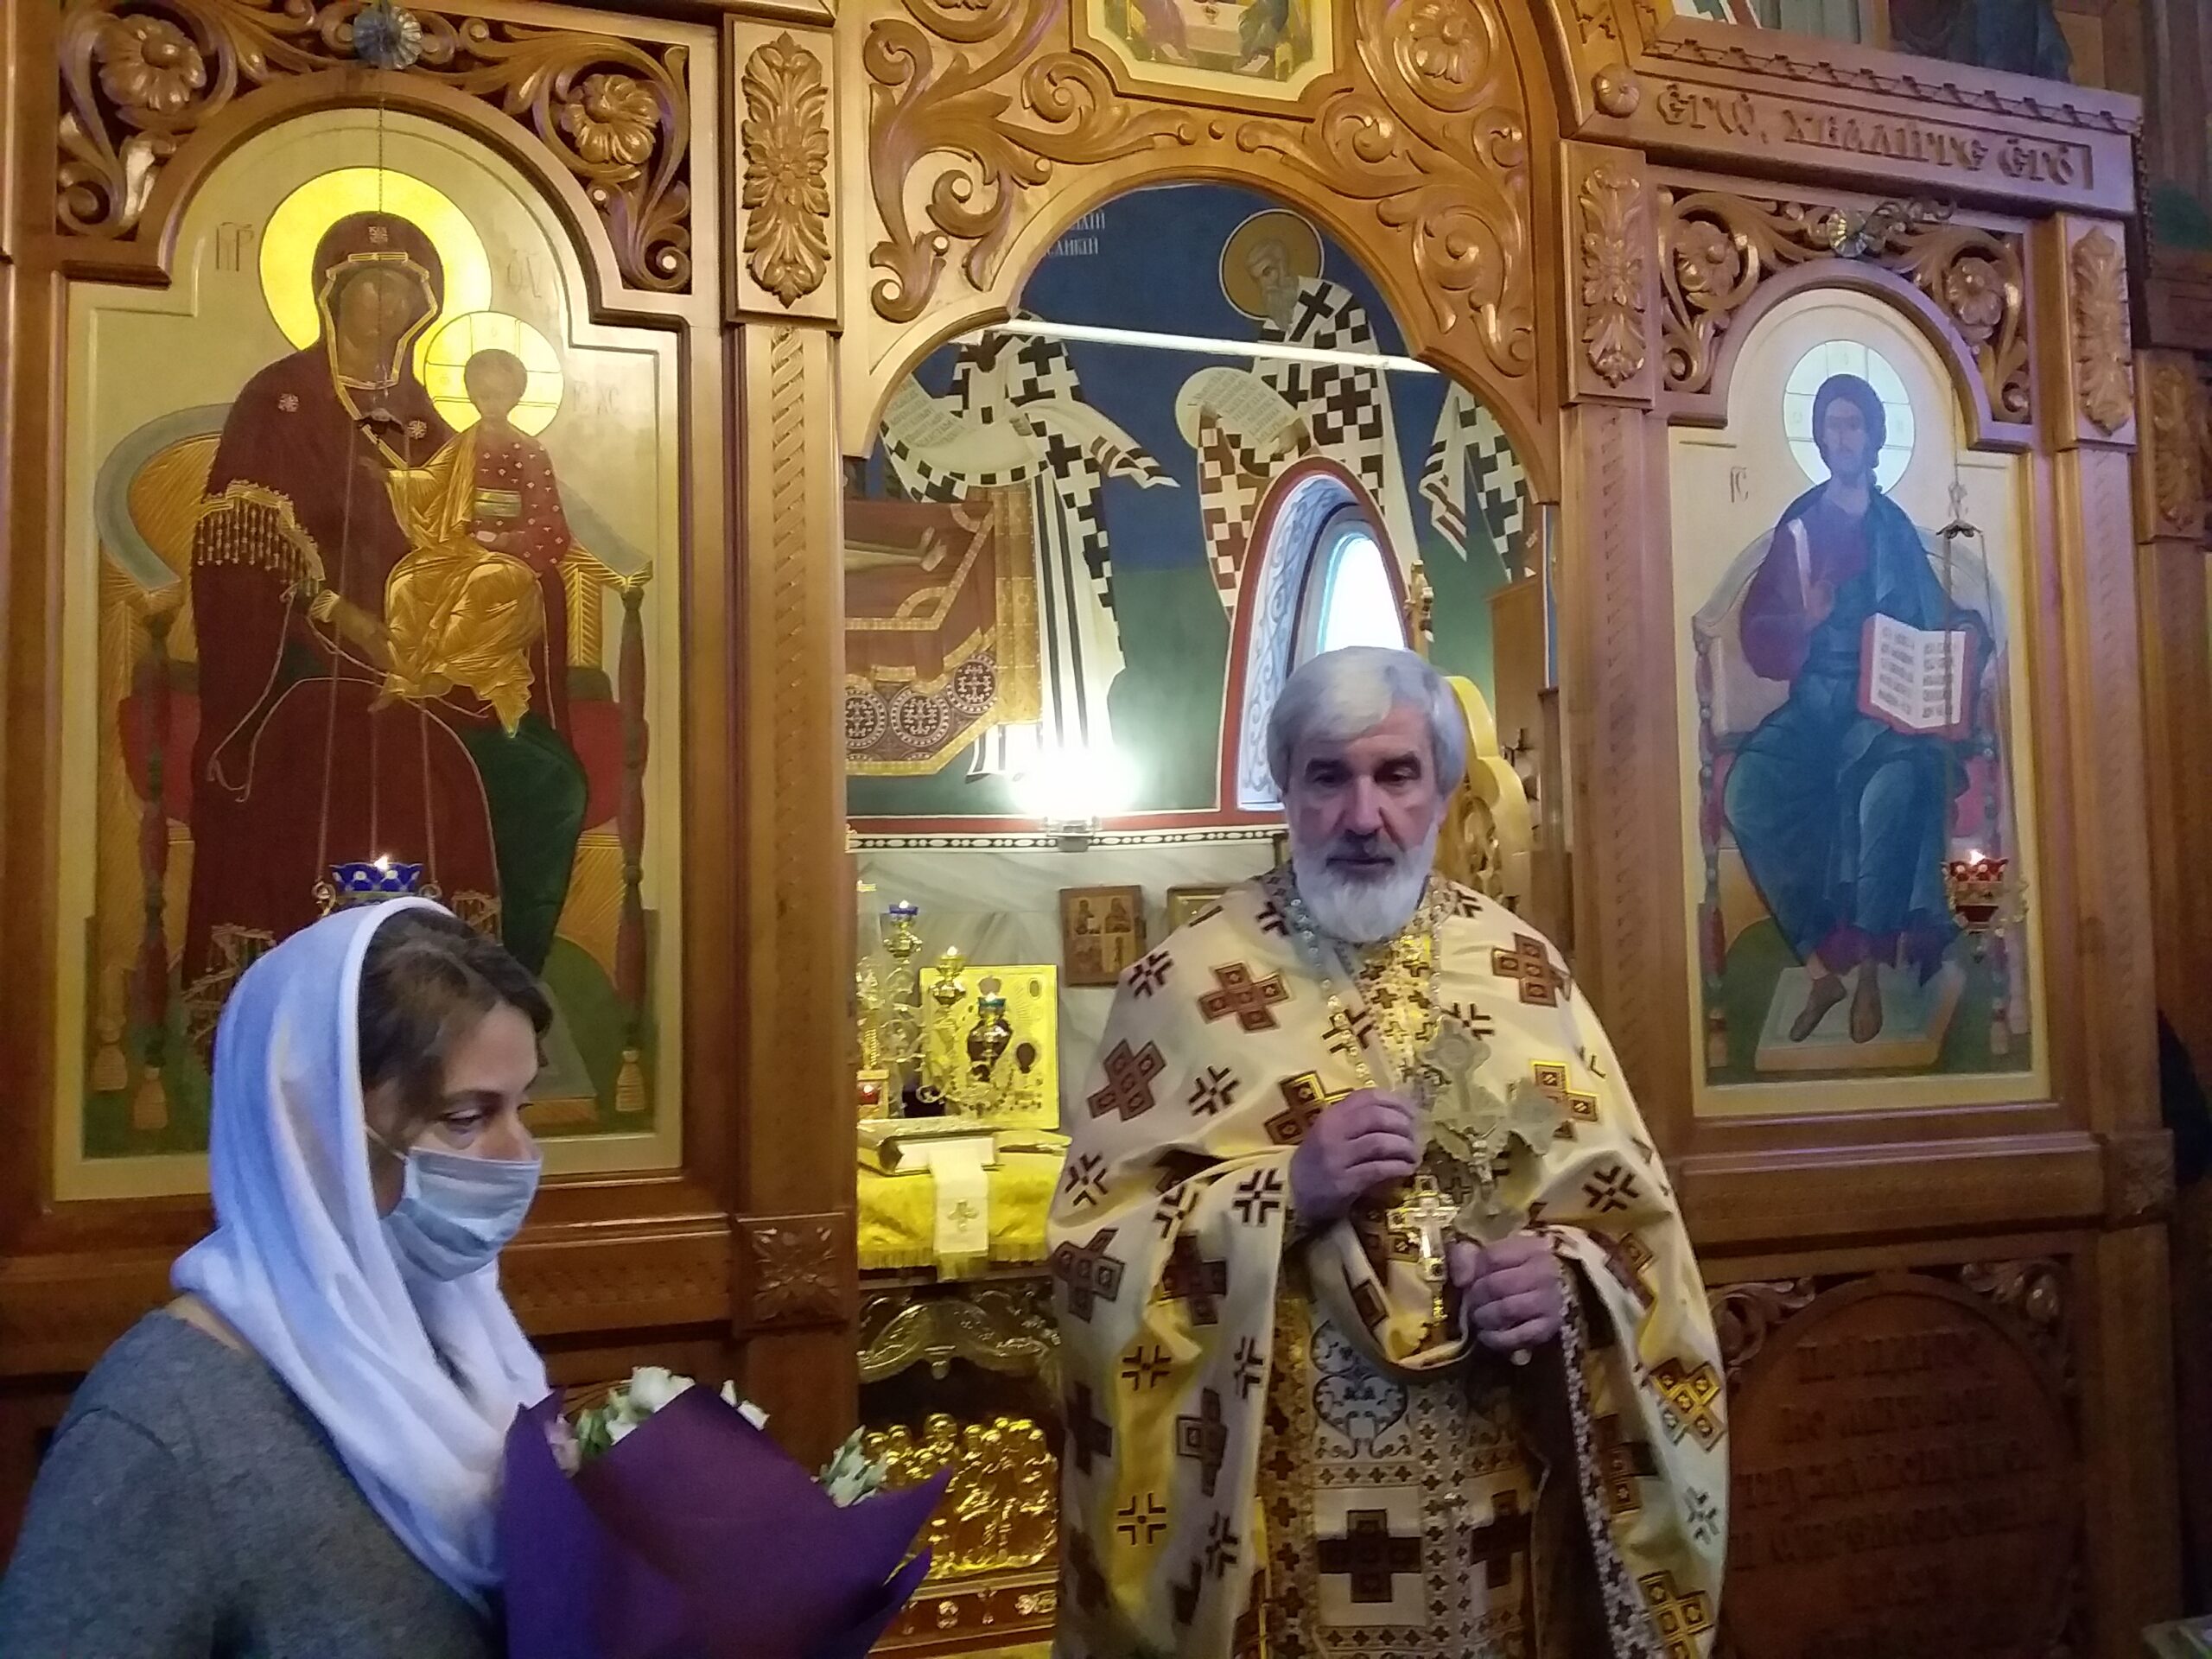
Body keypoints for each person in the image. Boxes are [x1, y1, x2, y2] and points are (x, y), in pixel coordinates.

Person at [1049, 646, 1724, 1658]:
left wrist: (1565, 1284)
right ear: (1286, 789)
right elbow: (1092, 1262)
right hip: (1279, 1529)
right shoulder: (1183, 986)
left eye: (1396, 775)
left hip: (1496, 1523)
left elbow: (1636, 1237)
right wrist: (1284, 1192)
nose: (1363, 816)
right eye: (1329, 777)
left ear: (1443, 791)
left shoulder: (1524, 976)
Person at [0, 901, 553, 1656]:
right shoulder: (160, 1427)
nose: (521, 1155)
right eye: (465, 1117)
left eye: (522, 1108)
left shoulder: (466, 1337)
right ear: (313, 1130)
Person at [184, 210, 586, 1033]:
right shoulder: (281, 402)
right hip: (300, 659)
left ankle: (499, 995)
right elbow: (236, 551)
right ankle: (338, 1005)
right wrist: (343, 616)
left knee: (549, 778)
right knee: (391, 757)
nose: (387, 305)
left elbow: (478, 535)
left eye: (404, 291)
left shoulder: (429, 421)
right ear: (330, 295)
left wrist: (500, 588)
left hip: (430, 653)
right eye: (369, 286)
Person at [1725, 372, 1989, 1046]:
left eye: (1854, 424)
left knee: (1890, 788)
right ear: (1820, 440)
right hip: (1817, 708)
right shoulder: (1800, 528)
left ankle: (1870, 969)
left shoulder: (1893, 529)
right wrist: (1804, 622)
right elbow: (1758, 634)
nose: (1843, 438)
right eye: (1832, 426)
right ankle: (1820, 967)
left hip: (1882, 710)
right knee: (1747, 791)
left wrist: (1966, 632)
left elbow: (1932, 611)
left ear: (1874, 438)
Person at [380, 348, 575, 736]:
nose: (491, 403)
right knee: (407, 580)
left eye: (500, 394)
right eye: (483, 394)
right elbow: (433, 481)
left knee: (482, 582)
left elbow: (550, 526)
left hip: (512, 557)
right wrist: (393, 479)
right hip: (463, 548)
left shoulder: (529, 451)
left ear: (516, 396)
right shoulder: (463, 444)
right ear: (471, 395)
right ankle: (406, 674)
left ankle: (443, 674)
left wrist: (503, 539)